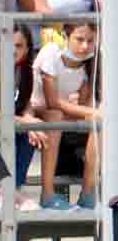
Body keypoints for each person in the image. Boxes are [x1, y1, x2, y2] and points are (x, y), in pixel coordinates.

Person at [30, 22, 99, 210]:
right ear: (67, 36)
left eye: (90, 41)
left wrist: (92, 112)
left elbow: (83, 103)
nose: (85, 46)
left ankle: (87, 194)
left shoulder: (89, 63)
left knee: (99, 123)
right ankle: (47, 195)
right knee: (55, 116)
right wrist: (95, 112)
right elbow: (52, 102)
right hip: (39, 112)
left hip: (65, 117)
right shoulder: (51, 52)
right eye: (79, 39)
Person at [0, 27, 46, 202]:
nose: (13, 50)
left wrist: (30, 120)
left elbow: (25, 104)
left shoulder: (26, 69)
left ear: (27, 49)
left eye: (19, 46)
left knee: (32, 134)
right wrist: (25, 121)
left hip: (11, 119)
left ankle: (13, 188)